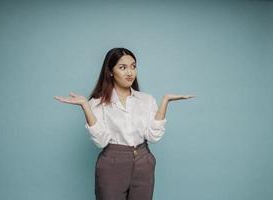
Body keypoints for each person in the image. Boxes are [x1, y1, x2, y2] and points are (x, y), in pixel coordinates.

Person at [53, 47, 195, 200]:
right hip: (112, 162)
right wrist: (85, 106)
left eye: (133, 66)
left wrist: (165, 101)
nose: (130, 72)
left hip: (143, 160)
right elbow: (101, 141)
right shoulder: (97, 103)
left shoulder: (147, 100)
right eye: (123, 67)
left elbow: (153, 137)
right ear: (110, 71)